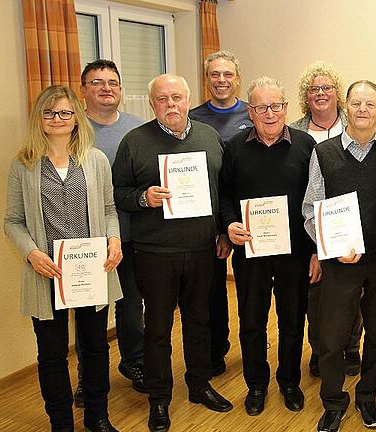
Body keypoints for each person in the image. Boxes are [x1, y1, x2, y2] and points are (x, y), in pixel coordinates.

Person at [112, 74, 233, 432]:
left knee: (200, 321)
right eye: (162, 99)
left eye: (177, 97)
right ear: (153, 104)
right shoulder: (135, 142)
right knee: (158, 329)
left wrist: (223, 230)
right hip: (154, 252)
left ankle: (198, 385)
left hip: (200, 248)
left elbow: (221, 189)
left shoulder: (209, 137)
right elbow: (117, 193)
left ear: (188, 98)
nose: (171, 105)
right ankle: (159, 398)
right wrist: (142, 198)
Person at [4, 85, 123, 432]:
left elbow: (108, 209)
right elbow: (12, 221)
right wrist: (32, 253)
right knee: (52, 354)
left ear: (76, 119)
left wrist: (113, 239)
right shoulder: (23, 164)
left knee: (95, 347)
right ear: (39, 118)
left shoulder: (95, 159)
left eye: (65, 113)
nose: (58, 119)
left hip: (90, 270)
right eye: (50, 112)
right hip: (47, 272)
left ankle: (97, 416)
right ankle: (61, 423)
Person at [220, 76, 320, 416]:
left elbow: (317, 201)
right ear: (250, 111)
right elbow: (224, 197)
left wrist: (317, 251)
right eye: (262, 107)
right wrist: (229, 223)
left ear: (286, 108)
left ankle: (289, 381)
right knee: (251, 320)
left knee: (293, 320)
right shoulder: (233, 148)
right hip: (251, 253)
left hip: (296, 253)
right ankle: (257, 384)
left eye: (276, 105)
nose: (270, 113)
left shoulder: (307, 146)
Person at [303, 81, 376, 432]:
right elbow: (310, 211)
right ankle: (333, 402)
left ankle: (367, 397)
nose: (362, 109)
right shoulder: (324, 152)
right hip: (340, 261)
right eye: (356, 103)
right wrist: (329, 245)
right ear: (346, 106)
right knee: (331, 337)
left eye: (370, 104)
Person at [70, 60, 147, 407]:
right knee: (89, 314)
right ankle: (89, 379)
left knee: (131, 306)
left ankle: (134, 362)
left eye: (113, 82)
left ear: (121, 89)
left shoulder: (138, 128)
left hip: (130, 236)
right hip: (85, 240)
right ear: (83, 89)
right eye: (97, 82)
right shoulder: (70, 129)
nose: (106, 88)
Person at [288, 62, 361, 377]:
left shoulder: (354, 124)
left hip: (350, 221)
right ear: (306, 96)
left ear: (337, 94)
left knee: (353, 289)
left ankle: (351, 348)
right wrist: (318, 243)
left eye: (327, 88)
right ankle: (319, 349)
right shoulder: (294, 131)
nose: (320, 94)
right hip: (309, 223)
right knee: (316, 292)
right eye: (314, 89)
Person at [189, 50, 253, 375]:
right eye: (215, 74)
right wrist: (220, 228)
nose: (222, 80)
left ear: (237, 79)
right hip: (208, 218)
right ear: (207, 78)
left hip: (252, 219)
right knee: (211, 290)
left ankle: (253, 347)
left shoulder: (253, 113)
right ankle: (217, 349)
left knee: (247, 291)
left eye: (228, 74)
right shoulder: (193, 118)